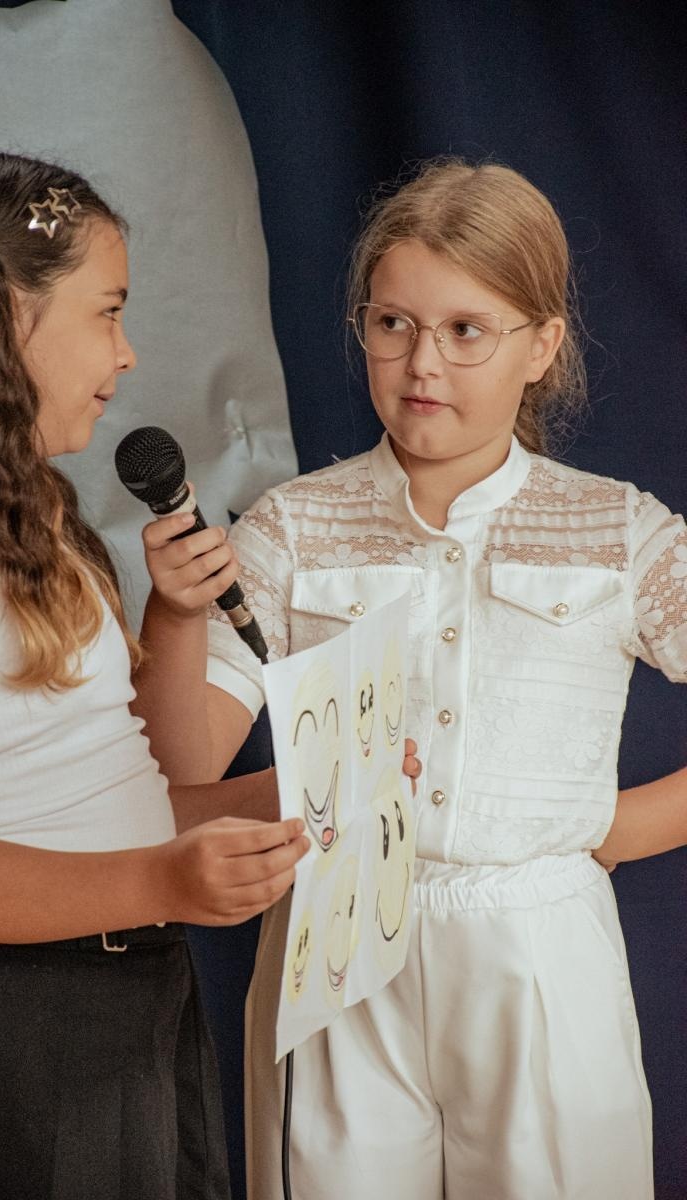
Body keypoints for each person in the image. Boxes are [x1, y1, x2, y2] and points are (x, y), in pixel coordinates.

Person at [136, 158, 687, 1200]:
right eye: (392, 325)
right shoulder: (292, 524)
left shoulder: (615, 529)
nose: (421, 363)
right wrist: (171, 615)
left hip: (537, 952)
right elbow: (177, 769)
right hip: (334, 948)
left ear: (541, 347)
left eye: (465, 330)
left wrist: (608, 829)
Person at [0, 147, 313, 1200]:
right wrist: (163, 881)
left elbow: (130, 788)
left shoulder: (21, 521)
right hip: (18, 1025)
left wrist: (287, 792)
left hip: (122, 998)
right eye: (105, 312)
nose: (124, 356)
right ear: (2, 316)